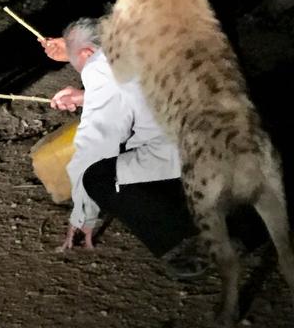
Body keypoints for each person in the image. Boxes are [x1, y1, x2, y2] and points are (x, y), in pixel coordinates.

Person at [41, 17, 208, 279]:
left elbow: (96, 142)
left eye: (76, 64)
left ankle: (186, 243)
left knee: (98, 176)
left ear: (86, 53)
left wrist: (82, 213)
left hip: (190, 154)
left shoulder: (98, 68)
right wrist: (86, 96)